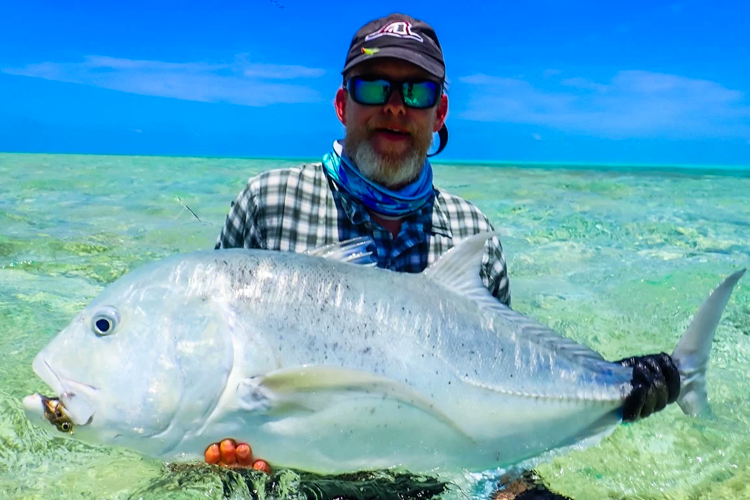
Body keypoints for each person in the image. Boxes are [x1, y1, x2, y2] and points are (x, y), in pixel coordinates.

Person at [205, 12, 680, 480]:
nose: (395, 106)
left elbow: (505, 390)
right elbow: (216, 371)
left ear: (440, 114)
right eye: (373, 86)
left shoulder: (472, 235)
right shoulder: (267, 204)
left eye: (418, 91)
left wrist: (616, 388)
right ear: (342, 104)